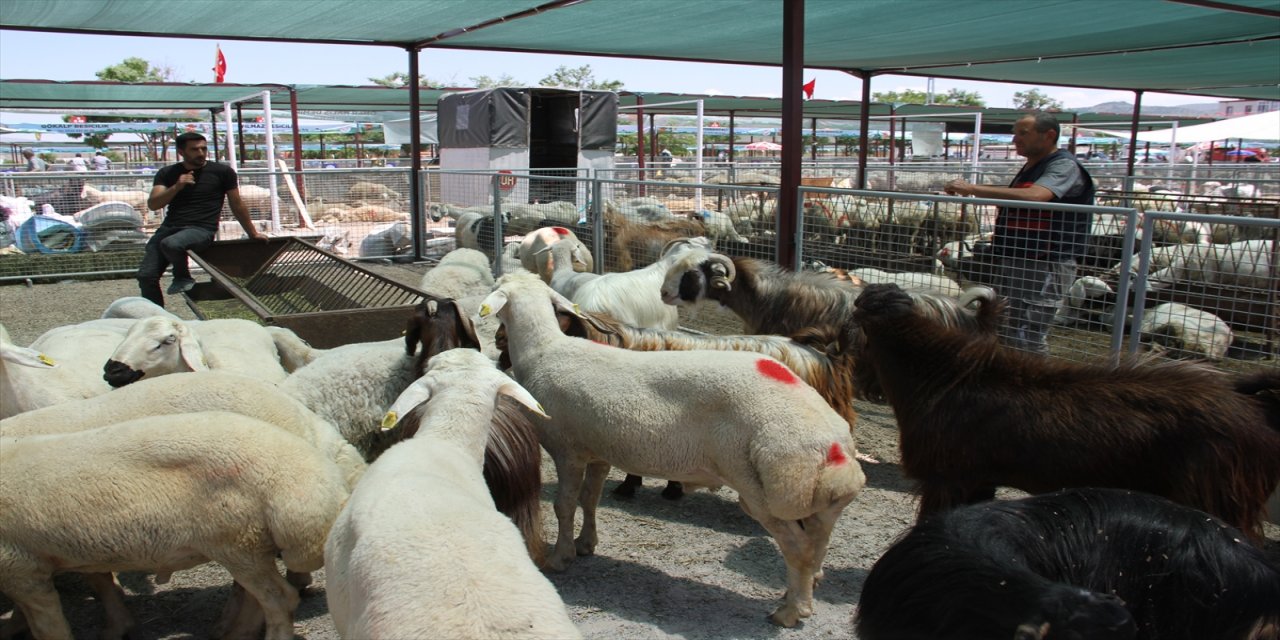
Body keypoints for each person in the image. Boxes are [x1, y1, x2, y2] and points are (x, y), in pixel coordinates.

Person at [943, 112, 1094, 355]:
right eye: (1015, 133)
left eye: (1023, 133)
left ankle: (1033, 376)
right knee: (1006, 324)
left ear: (1049, 135)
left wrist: (971, 188)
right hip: (1018, 256)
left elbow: (1036, 196)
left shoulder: (1063, 165)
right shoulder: (1033, 166)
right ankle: (1010, 373)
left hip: (1045, 260)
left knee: (1028, 331)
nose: (1015, 139)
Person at [139, 131, 266, 306]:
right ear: (181, 152)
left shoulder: (222, 172)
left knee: (171, 244)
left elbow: (237, 204)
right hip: (170, 227)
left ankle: (182, 276)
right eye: (194, 149)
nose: (201, 153)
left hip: (201, 229)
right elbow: (154, 204)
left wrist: (252, 233)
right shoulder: (167, 173)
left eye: (204, 148)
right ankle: (155, 317)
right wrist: (177, 187)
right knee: (146, 276)